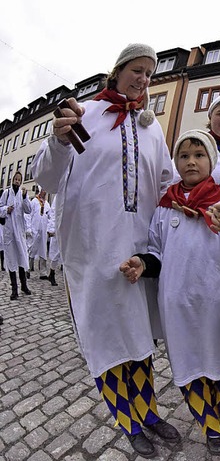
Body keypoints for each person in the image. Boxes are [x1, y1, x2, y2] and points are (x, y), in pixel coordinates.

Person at [32, 43, 179, 458]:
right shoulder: (86, 114)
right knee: (107, 337)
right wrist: (59, 142)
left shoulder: (151, 127)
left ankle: (148, 412)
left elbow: (167, 183)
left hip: (139, 247)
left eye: (150, 73)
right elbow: (48, 177)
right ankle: (128, 421)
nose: (144, 79)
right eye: (137, 70)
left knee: (139, 336)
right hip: (94, 247)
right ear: (116, 72)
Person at [120, 129, 220, 456]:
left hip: (217, 304)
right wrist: (143, 263)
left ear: (211, 160)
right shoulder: (167, 208)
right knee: (190, 368)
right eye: (184, 156)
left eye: (198, 155)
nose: (191, 161)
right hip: (177, 307)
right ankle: (209, 427)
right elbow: (157, 249)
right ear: (175, 162)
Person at [0, 171, 32, 300]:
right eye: (16, 179)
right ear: (12, 180)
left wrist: (24, 198)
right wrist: (6, 209)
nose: (17, 181)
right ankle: (14, 290)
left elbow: (28, 210)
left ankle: (24, 285)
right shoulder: (7, 193)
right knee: (12, 260)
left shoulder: (23, 194)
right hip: (9, 233)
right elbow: (0, 207)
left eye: (19, 180)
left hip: (19, 233)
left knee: (21, 258)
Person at [27, 188, 51, 281]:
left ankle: (43, 272)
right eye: (43, 190)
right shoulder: (34, 201)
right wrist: (29, 228)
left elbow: (49, 217)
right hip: (35, 229)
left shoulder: (47, 204)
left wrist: (49, 229)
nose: (44, 192)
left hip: (43, 231)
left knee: (43, 250)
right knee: (32, 249)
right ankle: (27, 269)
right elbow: (29, 215)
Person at [46, 195, 61, 286]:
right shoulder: (58, 196)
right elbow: (53, 212)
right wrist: (51, 228)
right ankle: (52, 273)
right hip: (58, 227)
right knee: (56, 252)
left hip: (70, 227)